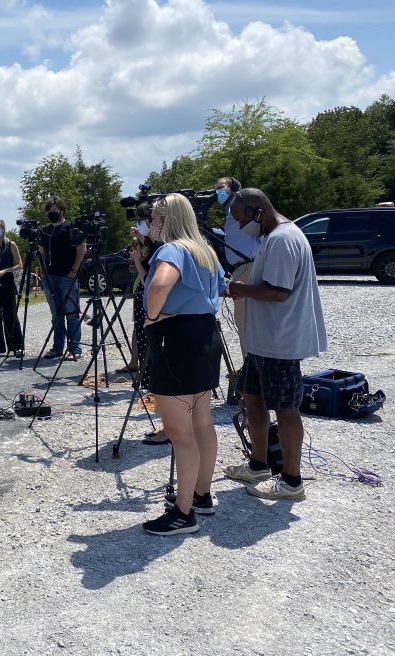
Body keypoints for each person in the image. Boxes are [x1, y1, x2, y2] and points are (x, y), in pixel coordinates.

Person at [224, 188, 327, 501]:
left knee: (285, 409)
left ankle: (292, 481)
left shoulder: (283, 239)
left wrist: (240, 287)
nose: (242, 228)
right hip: (262, 341)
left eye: (243, 221)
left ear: (258, 211)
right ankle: (259, 464)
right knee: (251, 397)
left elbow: (278, 291)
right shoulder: (273, 236)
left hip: (279, 341)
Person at [141, 193, 224, 536]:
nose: (153, 226)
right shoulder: (205, 250)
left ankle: (183, 512)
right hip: (205, 336)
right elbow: (222, 288)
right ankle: (201, 495)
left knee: (180, 432)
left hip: (176, 339)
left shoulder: (173, 249)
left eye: (156, 220)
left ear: (166, 220)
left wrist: (152, 314)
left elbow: (160, 283)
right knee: (202, 421)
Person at [126, 204, 165, 445]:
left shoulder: (164, 248)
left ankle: (168, 426)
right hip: (146, 303)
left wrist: (138, 262)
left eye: (150, 220)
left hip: (152, 306)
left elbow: (149, 280)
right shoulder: (155, 245)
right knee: (147, 352)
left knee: (155, 358)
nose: (147, 224)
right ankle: (166, 422)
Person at [215, 176, 260, 357]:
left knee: (244, 321)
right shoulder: (231, 213)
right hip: (242, 268)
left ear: (233, 189)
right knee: (245, 321)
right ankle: (251, 364)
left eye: (220, 188)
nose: (216, 192)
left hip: (247, 267)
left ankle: (250, 366)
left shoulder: (238, 208)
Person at [38, 197, 86, 360]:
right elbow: (42, 252)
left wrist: (74, 269)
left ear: (62, 210)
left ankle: (75, 349)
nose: (52, 214)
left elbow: (81, 248)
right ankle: (57, 348)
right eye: (49, 212)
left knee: (71, 313)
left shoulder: (71, 227)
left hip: (67, 276)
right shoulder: (45, 230)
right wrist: (42, 272)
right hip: (49, 276)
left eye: (55, 211)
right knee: (56, 314)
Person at [0, 219, 24, 356]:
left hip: (6, 280)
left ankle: (16, 345)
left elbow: (19, 264)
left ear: (3, 229)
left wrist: (4, 271)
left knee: (10, 314)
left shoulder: (10, 245)